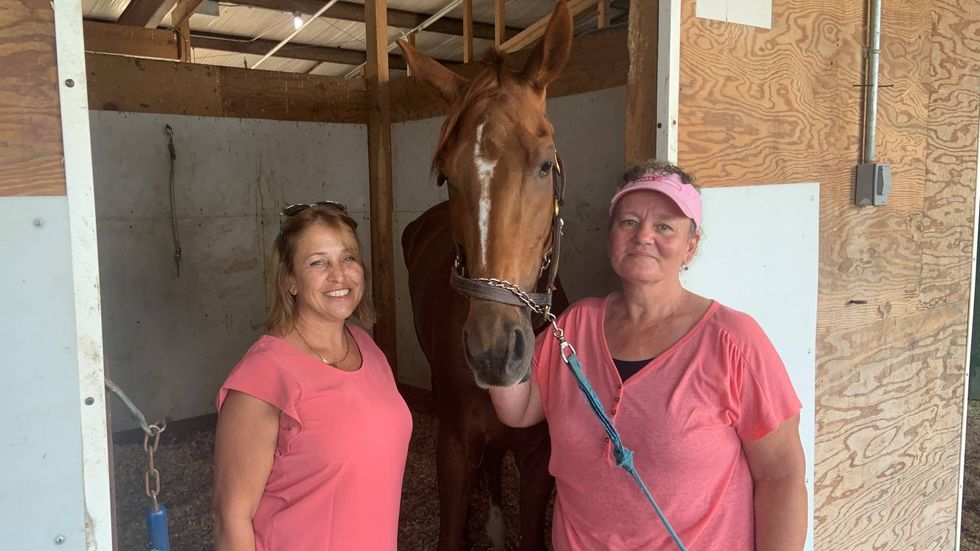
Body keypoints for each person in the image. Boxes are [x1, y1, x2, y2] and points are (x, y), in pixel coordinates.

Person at [488, 161, 807, 550]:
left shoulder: (732, 341)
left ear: (691, 245)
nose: (643, 236)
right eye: (629, 222)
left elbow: (781, 475)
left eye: (665, 226)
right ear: (611, 239)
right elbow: (519, 409)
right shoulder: (575, 325)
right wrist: (495, 309)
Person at [212, 201, 412, 551]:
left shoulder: (367, 348)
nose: (339, 275)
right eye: (318, 262)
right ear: (290, 280)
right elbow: (231, 518)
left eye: (348, 258)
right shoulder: (263, 377)